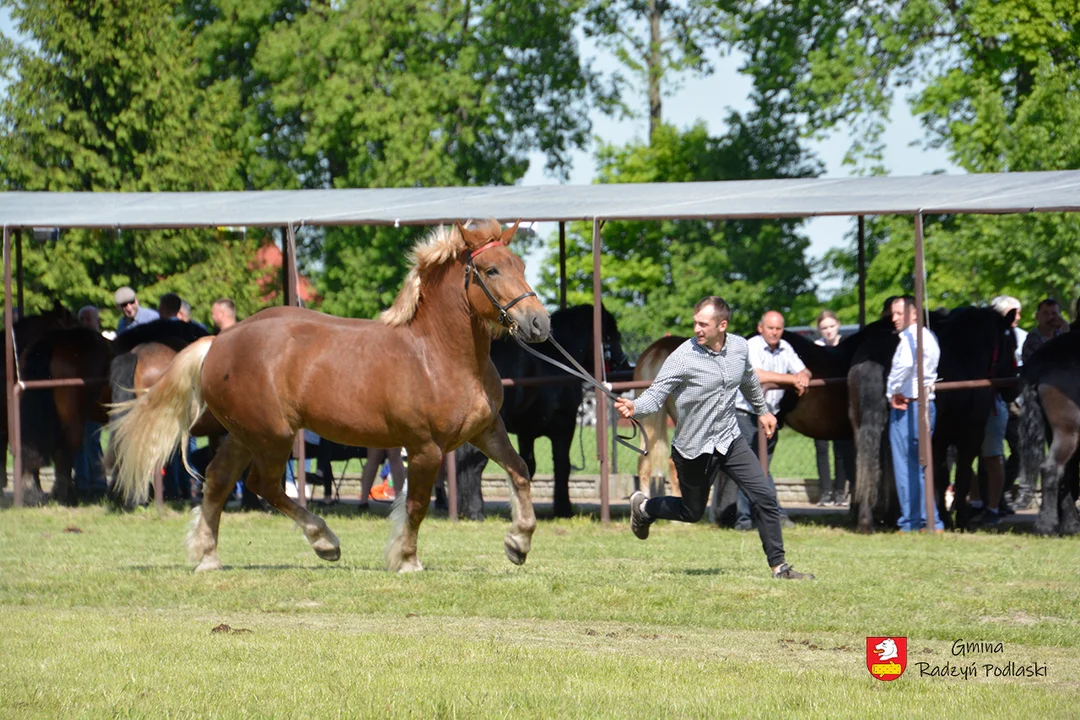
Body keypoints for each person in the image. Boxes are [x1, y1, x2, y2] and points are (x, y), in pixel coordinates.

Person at [617, 296, 814, 580]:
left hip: (729, 440)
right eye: (695, 322)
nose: (696, 329)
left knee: (765, 496)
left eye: (703, 324)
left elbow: (748, 379)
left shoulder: (739, 347)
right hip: (693, 448)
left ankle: (779, 567)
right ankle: (645, 507)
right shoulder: (683, 356)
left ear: (722, 325)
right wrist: (635, 407)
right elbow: (656, 394)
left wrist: (762, 411)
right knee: (692, 511)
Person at [731, 310, 809, 531]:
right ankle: (757, 517)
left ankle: (750, 518)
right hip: (745, 414)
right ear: (760, 328)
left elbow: (804, 371)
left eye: (778, 328)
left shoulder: (785, 347)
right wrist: (792, 378)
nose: (775, 332)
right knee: (754, 466)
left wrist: (804, 376)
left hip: (769, 416)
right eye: (770, 328)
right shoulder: (751, 346)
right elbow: (757, 375)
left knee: (758, 467)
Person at [887, 295, 943, 533]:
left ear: (914, 314)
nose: (894, 318)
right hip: (926, 403)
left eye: (899, 313)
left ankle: (911, 520)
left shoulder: (910, 338)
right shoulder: (929, 337)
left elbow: (904, 365)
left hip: (909, 405)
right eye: (893, 313)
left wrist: (892, 390)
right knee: (919, 465)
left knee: (906, 466)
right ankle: (930, 519)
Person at [813, 310, 854, 507]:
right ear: (819, 330)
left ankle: (839, 492)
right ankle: (825, 491)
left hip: (841, 405)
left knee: (841, 449)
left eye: (831, 326)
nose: (828, 331)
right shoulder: (816, 348)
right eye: (824, 328)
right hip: (821, 405)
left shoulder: (846, 346)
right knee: (821, 448)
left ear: (838, 325)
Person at [1022, 298, 1068, 364]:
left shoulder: (1061, 335)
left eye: (1054, 314)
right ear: (1037, 316)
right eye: (1045, 313)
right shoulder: (1032, 339)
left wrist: (1066, 331)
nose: (1050, 317)